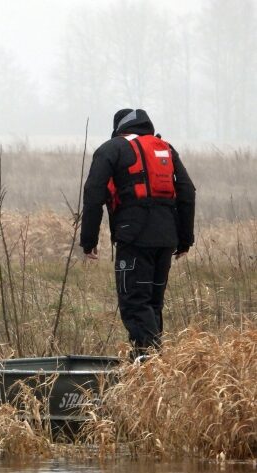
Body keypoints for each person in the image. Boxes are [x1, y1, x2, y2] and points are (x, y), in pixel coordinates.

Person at [80, 109, 196, 358]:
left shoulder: (112, 148)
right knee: (153, 303)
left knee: (135, 303)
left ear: (118, 128)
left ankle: (151, 368)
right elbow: (187, 192)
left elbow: (93, 194)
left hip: (134, 238)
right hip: (167, 239)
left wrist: (88, 240)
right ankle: (152, 369)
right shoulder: (165, 148)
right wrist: (185, 239)